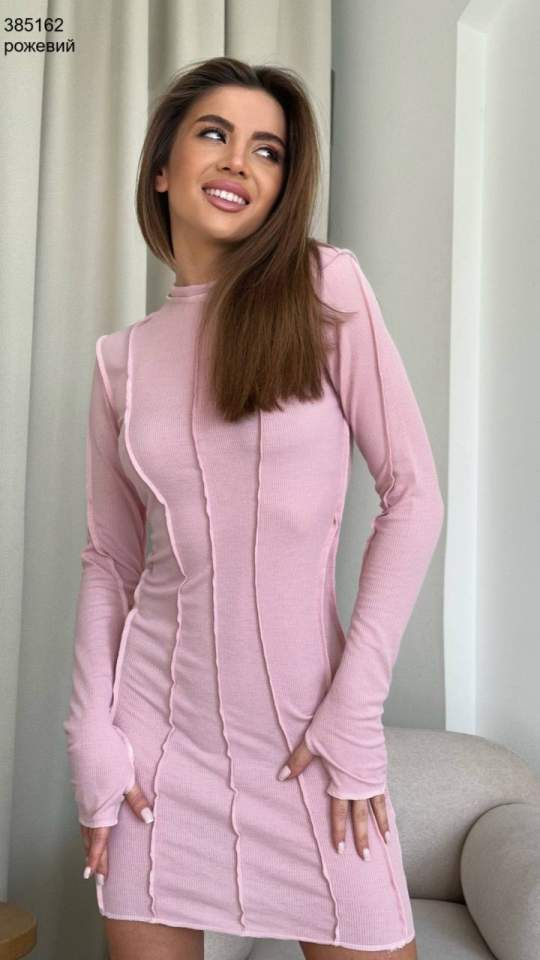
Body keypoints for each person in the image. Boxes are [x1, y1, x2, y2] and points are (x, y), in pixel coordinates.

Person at [63, 55, 444, 960]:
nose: (240, 160)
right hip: (155, 754)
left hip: (313, 744)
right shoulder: (121, 361)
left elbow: (413, 497)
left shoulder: (323, 288)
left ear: (281, 187)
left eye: (268, 150)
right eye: (215, 134)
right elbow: (110, 561)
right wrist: (91, 734)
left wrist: (354, 712)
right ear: (164, 166)